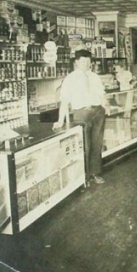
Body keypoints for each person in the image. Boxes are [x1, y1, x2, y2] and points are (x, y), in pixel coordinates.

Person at [53, 49, 110, 186]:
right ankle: (83, 177)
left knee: (97, 143)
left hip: (98, 111)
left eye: (88, 61)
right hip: (81, 113)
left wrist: (105, 105)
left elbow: (101, 94)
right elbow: (65, 100)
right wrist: (60, 120)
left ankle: (95, 173)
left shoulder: (94, 77)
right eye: (83, 61)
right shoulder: (70, 79)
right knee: (84, 144)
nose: (86, 64)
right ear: (77, 62)